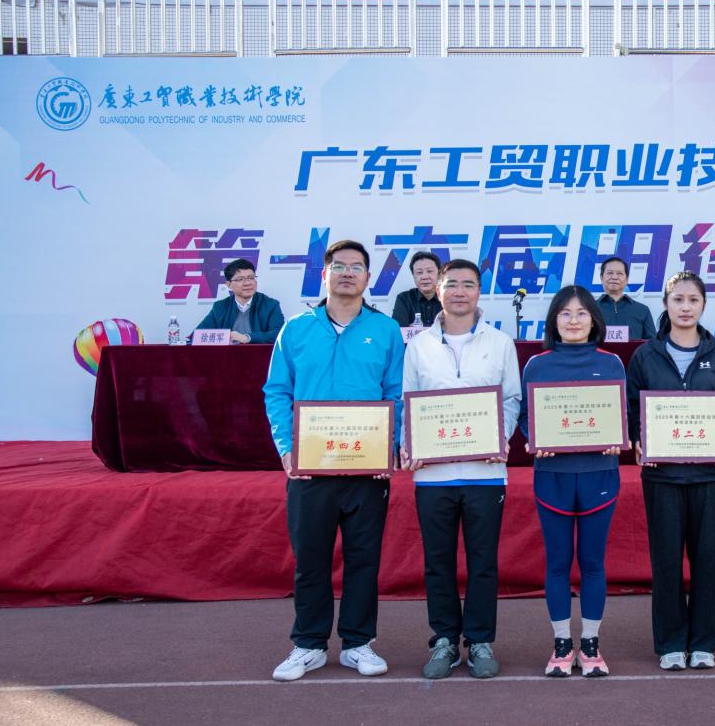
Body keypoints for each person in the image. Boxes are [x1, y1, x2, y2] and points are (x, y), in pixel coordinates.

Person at [263, 240, 404, 682]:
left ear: (368, 278)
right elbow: (277, 391)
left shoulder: (385, 330)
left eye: (356, 267)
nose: (347, 273)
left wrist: (391, 444)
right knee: (311, 558)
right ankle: (309, 644)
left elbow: (396, 393)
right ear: (324, 275)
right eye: (339, 266)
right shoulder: (295, 329)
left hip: (367, 468)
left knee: (364, 558)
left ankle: (358, 643)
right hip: (311, 467)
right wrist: (287, 447)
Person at [401, 258, 520, 681]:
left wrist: (499, 437)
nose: (459, 292)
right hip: (432, 475)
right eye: (451, 284)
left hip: (485, 472)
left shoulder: (500, 343)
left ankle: (481, 640)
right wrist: (409, 445)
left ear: (479, 292)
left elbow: (511, 399)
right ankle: (445, 640)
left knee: (483, 562)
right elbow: (407, 401)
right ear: (438, 290)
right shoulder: (418, 345)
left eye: (468, 284)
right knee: (438, 562)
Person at [626, 271, 715, 671]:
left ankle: (704, 641)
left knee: (707, 560)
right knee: (667, 560)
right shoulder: (646, 355)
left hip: (709, 474)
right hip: (662, 475)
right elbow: (631, 406)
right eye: (678, 300)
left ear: (703, 305)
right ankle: (671, 642)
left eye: (693, 300)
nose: (686, 307)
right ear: (666, 304)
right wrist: (638, 438)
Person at [519, 286, 625, 678]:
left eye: (582, 313)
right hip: (553, 478)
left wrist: (619, 437)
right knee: (558, 562)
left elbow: (622, 414)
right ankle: (562, 644)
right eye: (565, 313)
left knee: (593, 563)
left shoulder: (611, 363)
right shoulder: (537, 365)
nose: (574, 320)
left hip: (599, 476)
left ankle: (591, 644)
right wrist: (535, 437)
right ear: (554, 320)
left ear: (594, 320)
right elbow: (526, 417)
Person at [191, 259, 285, 344]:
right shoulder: (220, 307)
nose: (247, 283)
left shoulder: (270, 305)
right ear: (229, 284)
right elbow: (198, 335)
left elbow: (279, 334)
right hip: (227, 356)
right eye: (240, 279)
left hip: (260, 356)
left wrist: (247, 338)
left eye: (251, 278)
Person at [595, 257, 656, 340]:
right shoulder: (590, 309)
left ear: (627, 279)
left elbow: (652, 343)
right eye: (610, 273)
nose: (614, 277)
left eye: (619, 273)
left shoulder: (642, 310)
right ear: (601, 278)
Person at [391, 251, 443, 329]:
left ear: (439, 274)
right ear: (413, 275)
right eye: (419, 272)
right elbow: (399, 330)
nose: (425, 277)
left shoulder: (447, 298)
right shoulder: (404, 299)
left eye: (429, 271)